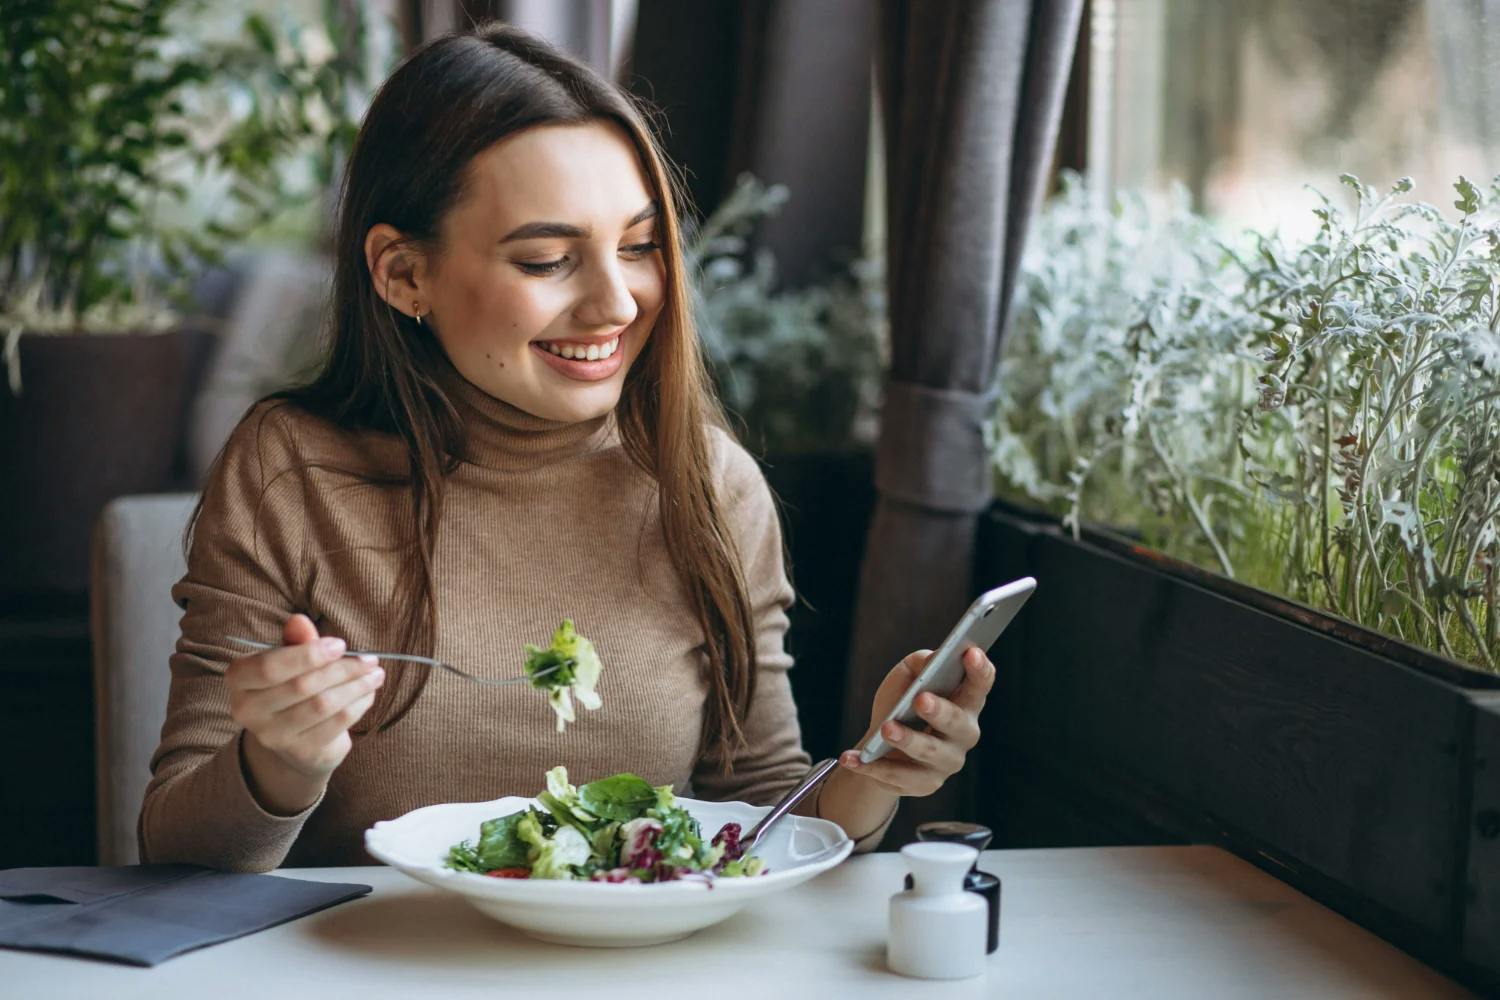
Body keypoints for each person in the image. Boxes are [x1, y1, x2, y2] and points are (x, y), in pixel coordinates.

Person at [139, 21, 996, 873]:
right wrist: (276, 765)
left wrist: (876, 774)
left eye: (639, 247)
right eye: (548, 260)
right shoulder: (291, 471)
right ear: (404, 275)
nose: (616, 304)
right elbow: (172, 851)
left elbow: (754, 809)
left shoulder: (706, 484)